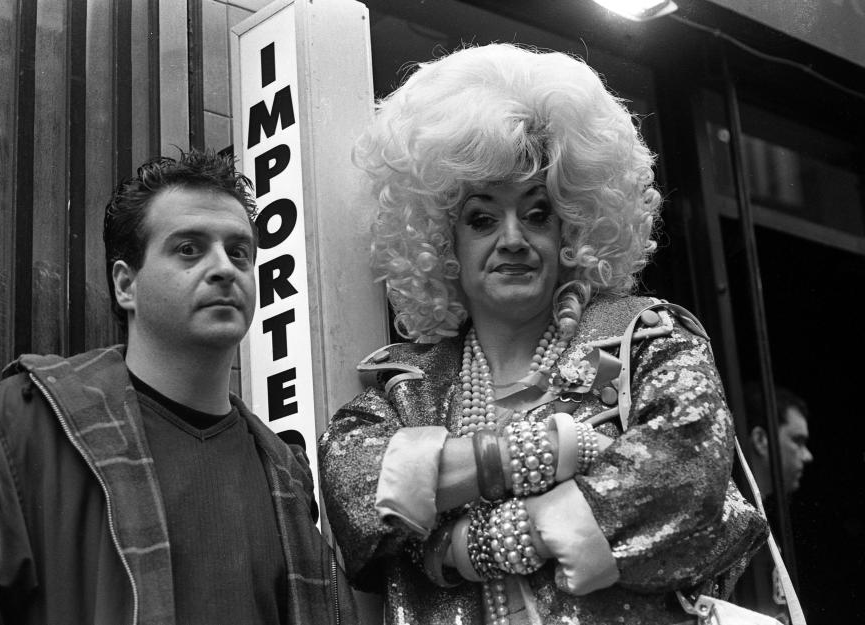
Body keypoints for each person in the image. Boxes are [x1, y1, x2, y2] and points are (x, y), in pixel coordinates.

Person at [319, 44, 767, 624]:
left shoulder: (646, 341)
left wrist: (475, 541)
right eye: (482, 218)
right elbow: (358, 489)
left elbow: (686, 478)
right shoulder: (409, 386)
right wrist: (541, 452)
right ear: (441, 243)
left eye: (536, 214)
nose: (511, 238)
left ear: (572, 229)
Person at [0, 149, 354, 625]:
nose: (224, 267)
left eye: (239, 251)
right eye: (189, 248)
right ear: (126, 284)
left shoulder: (284, 474)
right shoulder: (12, 431)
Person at [740, 383, 813, 622]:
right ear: (761, 439)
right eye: (797, 441)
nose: (807, 456)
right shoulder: (739, 526)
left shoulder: (759, 522)